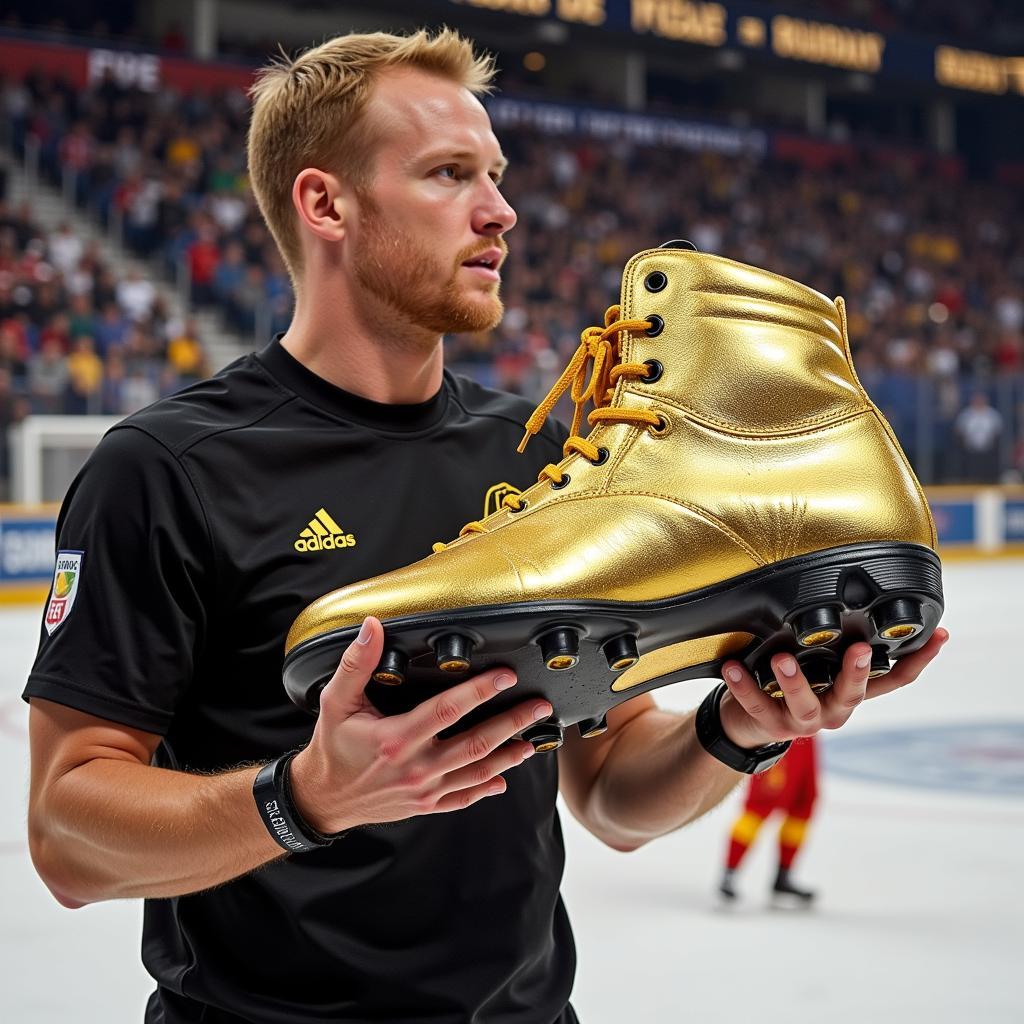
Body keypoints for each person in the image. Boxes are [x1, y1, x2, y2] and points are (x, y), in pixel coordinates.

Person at [23, 29, 948, 1024]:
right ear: (325, 203)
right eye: (449, 173)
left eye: (496, 174)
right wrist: (306, 797)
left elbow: (609, 796)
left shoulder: (545, 459)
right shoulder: (166, 470)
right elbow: (68, 836)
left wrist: (735, 729)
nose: (501, 210)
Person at [718, 736, 820, 906]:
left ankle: (783, 876)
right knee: (761, 803)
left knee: (803, 804)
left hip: (808, 735)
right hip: (784, 734)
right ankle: (729, 874)